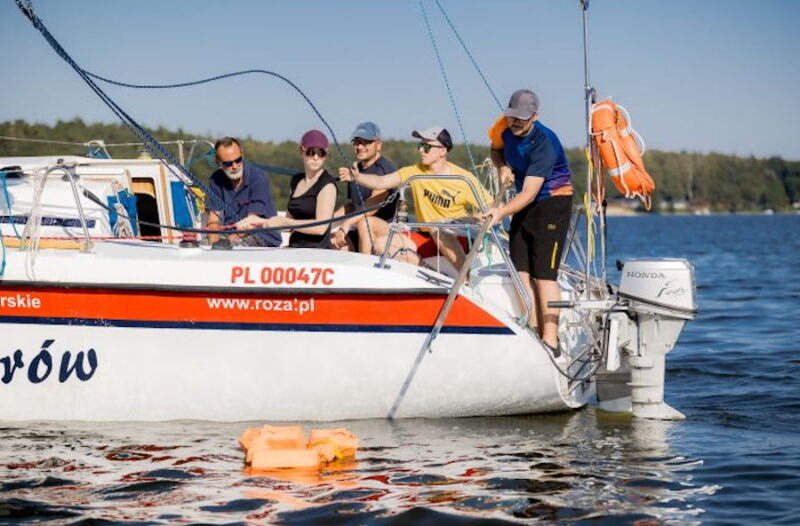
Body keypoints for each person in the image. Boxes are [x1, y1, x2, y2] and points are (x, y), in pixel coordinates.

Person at [483, 89, 573, 355]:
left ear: (536, 115)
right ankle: (532, 328)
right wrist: (502, 166)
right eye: (512, 116)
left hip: (551, 203)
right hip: (524, 202)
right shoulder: (504, 127)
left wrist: (499, 213)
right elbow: (495, 149)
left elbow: (530, 192)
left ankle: (551, 340)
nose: (516, 122)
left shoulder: (544, 141)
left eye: (522, 118)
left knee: (543, 275)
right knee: (521, 269)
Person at [339, 127, 491, 269]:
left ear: (443, 151)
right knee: (378, 241)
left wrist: (473, 219)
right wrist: (358, 177)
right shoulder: (415, 171)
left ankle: (465, 278)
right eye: (420, 145)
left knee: (436, 226)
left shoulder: (463, 178)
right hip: (425, 236)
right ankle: (424, 269)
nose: (421, 151)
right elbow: (382, 181)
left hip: (455, 238)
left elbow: (491, 207)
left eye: (426, 147)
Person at [262, 129, 338, 248]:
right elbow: (288, 223)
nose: (316, 157)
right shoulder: (296, 181)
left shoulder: (327, 184)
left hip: (318, 252)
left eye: (321, 152)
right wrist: (260, 223)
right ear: (302, 151)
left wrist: (287, 223)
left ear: (326, 154)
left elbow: (320, 228)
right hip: (294, 248)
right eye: (311, 152)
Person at [331, 122, 398, 254]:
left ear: (378, 145)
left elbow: (373, 205)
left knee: (365, 224)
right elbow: (352, 205)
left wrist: (345, 224)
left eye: (366, 142)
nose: (360, 146)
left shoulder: (385, 170)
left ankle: (366, 269)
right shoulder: (356, 170)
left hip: (385, 233)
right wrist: (327, 219)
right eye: (356, 142)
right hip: (358, 230)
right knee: (333, 243)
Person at [206, 137, 281, 247]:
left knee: (236, 245)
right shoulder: (215, 180)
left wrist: (227, 243)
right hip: (231, 235)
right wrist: (213, 244)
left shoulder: (258, 179)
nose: (235, 166)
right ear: (219, 163)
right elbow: (213, 219)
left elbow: (251, 222)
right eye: (228, 163)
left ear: (242, 155)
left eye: (238, 160)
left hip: (261, 236)